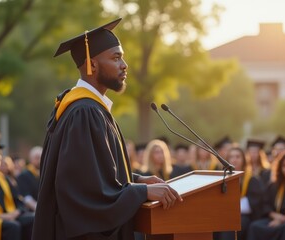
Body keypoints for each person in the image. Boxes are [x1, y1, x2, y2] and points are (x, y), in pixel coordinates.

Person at [32, 18, 182, 240]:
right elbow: (84, 192)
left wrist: (137, 180)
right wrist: (141, 192)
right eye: (116, 57)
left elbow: (94, 173)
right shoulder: (84, 112)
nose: (124, 65)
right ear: (92, 64)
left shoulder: (88, 109)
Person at [216, 147, 264, 240]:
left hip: (244, 216)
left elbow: (252, 204)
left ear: (244, 160)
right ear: (227, 160)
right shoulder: (221, 178)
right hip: (224, 214)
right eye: (231, 157)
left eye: (238, 157)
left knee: (231, 224)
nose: (234, 159)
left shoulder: (252, 179)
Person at [17, 146, 42, 212]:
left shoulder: (44, 174)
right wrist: (40, 210)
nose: (40, 160)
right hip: (32, 210)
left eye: (41, 157)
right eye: (37, 158)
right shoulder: (24, 175)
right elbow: (26, 197)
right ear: (30, 159)